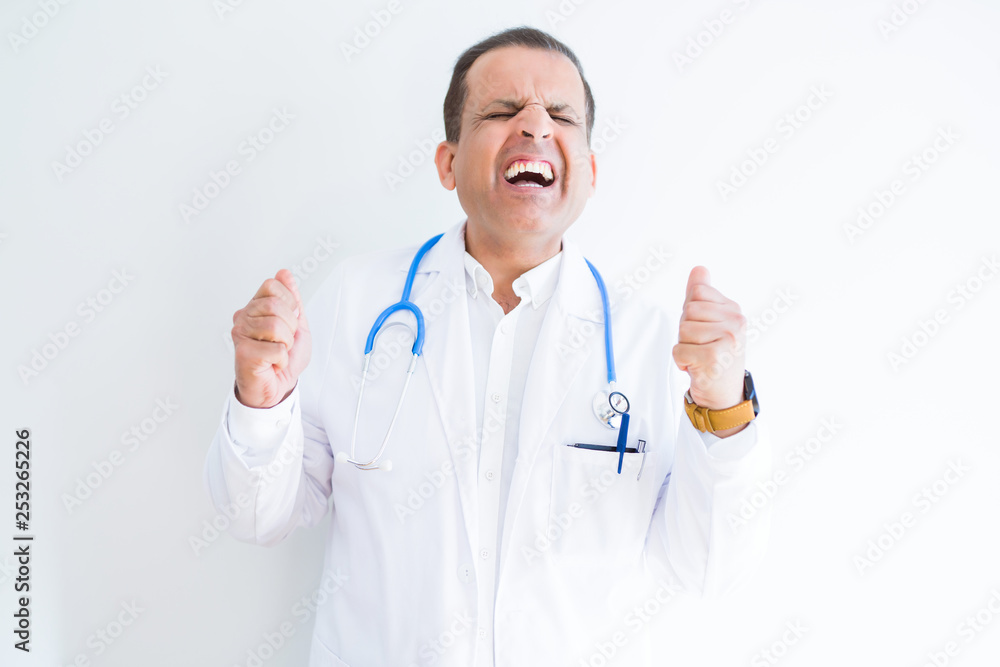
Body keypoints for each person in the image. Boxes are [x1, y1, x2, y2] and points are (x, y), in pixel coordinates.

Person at [203, 25, 770, 667]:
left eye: (560, 114)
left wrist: (723, 404)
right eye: (502, 111)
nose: (534, 126)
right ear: (448, 163)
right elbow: (258, 517)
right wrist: (260, 400)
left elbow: (710, 565)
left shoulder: (649, 344)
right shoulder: (358, 303)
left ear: (587, 170)